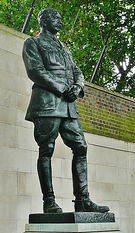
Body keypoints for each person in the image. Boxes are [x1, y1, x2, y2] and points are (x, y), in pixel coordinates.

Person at [22, 8, 109, 214]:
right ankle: (49, 201)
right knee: (46, 149)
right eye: (55, 18)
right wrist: (62, 88)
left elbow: (77, 70)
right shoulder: (32, 43)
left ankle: (83, 200)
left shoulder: (63, 47)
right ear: (43, 21)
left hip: (68, 106)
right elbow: (35, 70)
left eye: (61, 18)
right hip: (47, 104)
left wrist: (77, 88)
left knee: (81, 147)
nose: (60, 21)